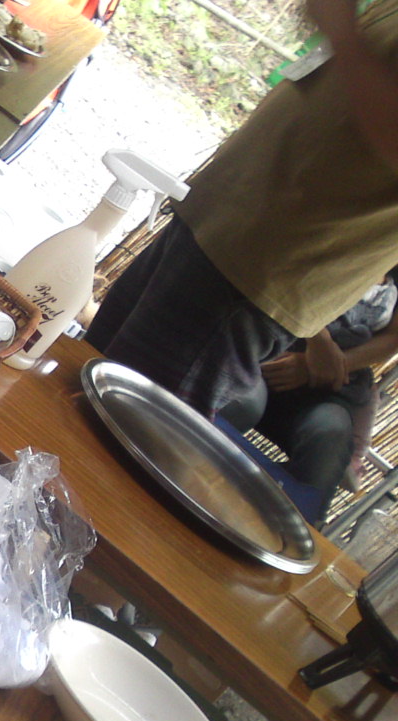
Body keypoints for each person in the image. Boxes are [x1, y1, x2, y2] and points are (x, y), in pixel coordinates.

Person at [87, 0, 398, 420]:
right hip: (218, 216)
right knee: (81, 374)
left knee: (113, 422)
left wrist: (342, 33)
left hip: (261, 268)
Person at [220, 272, 398, 513]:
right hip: (270, 350)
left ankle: (289, 522)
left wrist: (321, 365)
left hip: (322, 384)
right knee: (244, 404)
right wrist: (319, 343)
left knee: (330, 435)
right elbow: (292, 277)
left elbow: (391, 340)